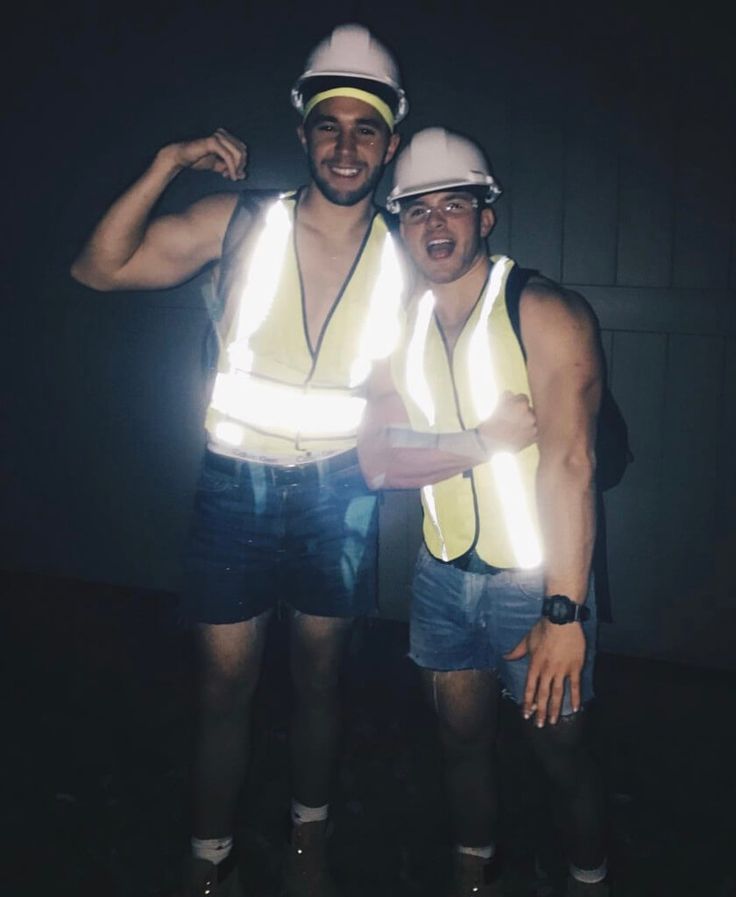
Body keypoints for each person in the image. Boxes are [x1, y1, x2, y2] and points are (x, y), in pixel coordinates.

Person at [71, 23, 410, 897]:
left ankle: (308, 840)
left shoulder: (413, 254)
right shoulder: (240, 221)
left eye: (365, 127)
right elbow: (97, 269)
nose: (346, 145)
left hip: (342, 493)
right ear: (303, 135)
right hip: (235, 487)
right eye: (329, 125)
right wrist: (165, 162)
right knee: (226, 687)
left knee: (322, 680)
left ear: (390, 144)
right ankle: (208, 853)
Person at [358, 128, 609, 897]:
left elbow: (570, 464)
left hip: (538, 586)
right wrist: (479, 440)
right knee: (459, 744)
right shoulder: (393, 327)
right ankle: (477, 871)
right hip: (440, 580)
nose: (435, 225)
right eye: (417, 210)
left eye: (454, 205)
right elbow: (378, 462)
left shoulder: (545, 312)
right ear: (401, 225)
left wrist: (562, 611)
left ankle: (588, 876)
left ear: (486, 215)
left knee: (560, 753)